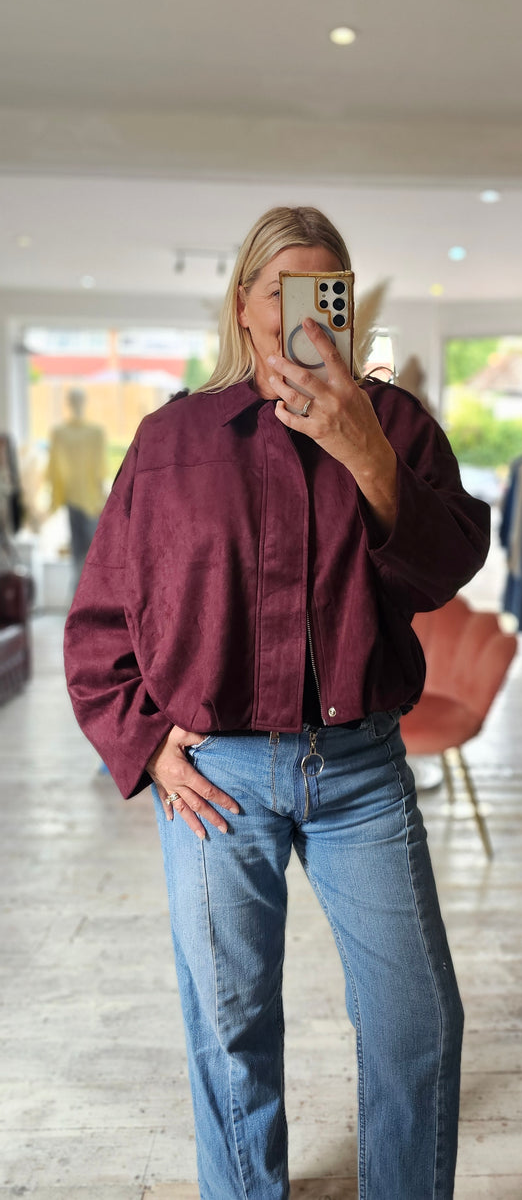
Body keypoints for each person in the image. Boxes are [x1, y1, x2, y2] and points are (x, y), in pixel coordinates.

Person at [64, 206, 490, 1200]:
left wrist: (366, 453)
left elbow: (449, 565)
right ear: (247, 312)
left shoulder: (396, 426)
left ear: (342, 310)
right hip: (219, 777)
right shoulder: (171, 441)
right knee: (229, 1023)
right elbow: (99, 616)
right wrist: (145, 741)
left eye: (327, 293)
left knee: (415, 1019)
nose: (308, 315)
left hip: (362, 772)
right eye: (285, 291)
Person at [48, 388, 106, 585]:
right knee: (79, 554)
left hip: (91, 500)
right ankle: (79, 600)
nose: (77, 403)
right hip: (75, 499)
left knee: (92, 553)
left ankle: (89, 598)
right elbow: (55, 468)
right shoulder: (60, 433)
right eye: (74, 400)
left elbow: (100, 469)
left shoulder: (95, 432)